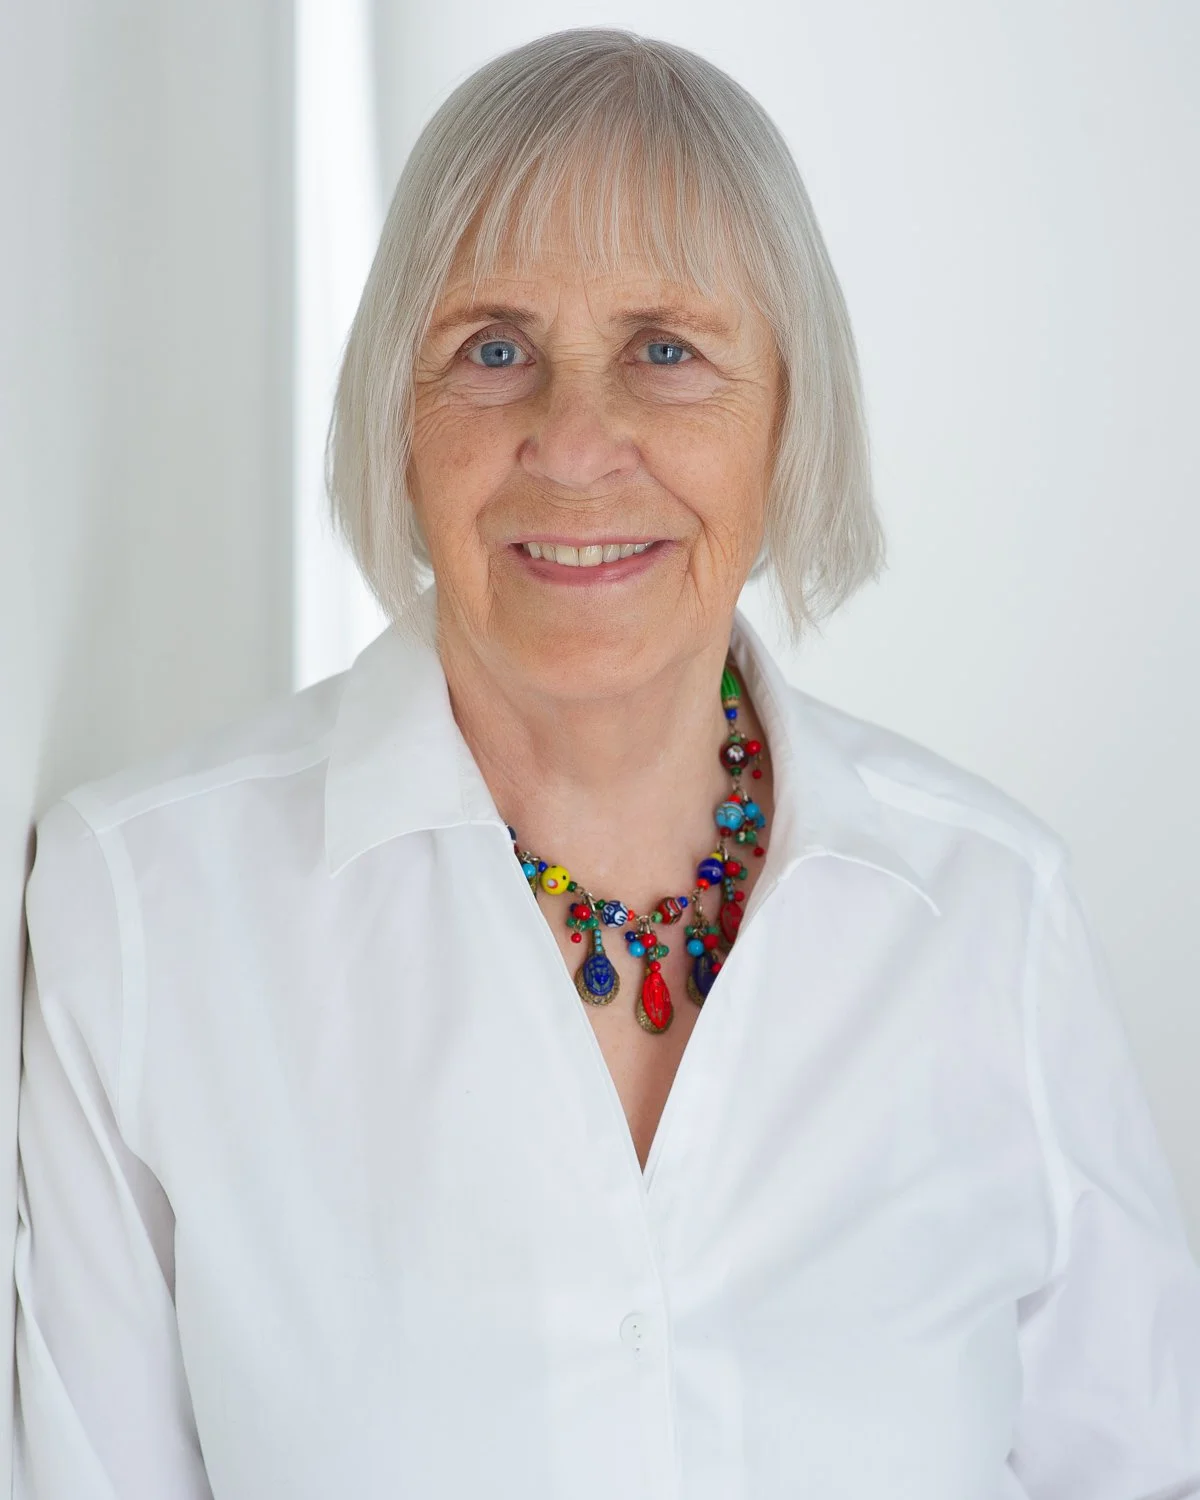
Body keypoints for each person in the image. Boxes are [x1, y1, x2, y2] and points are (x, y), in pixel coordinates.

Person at [13, 27, 1200, 1500]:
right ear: (398, 419)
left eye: (667, 351)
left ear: (788, 419)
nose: (575, 444)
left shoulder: (994, 916)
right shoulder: (141, 918)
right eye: (492, 349)